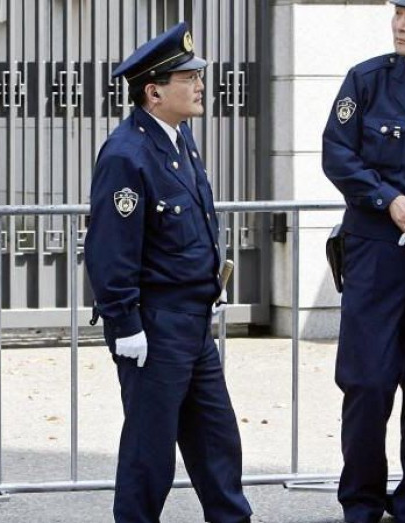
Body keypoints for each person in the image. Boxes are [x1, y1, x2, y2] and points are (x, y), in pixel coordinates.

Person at [84, 22, 252, 523]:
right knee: (150, 451)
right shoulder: (127, 154)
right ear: (154, 92)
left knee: (217, 439)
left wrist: (211, 282)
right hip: (155, 325)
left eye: (198, 75)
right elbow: (110, 248)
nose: (200, 85)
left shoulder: (179, 139)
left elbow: (195, 221)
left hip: (192, 319)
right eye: (188, 78)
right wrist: (124, 322)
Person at [322, 1, 405, 522]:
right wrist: (389, 200)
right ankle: (362, 500)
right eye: (398, 13)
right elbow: (338, 154)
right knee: (367, 382)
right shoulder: (368, 80)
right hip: (376, 255)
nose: (401, 24)